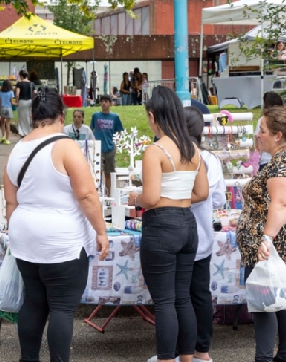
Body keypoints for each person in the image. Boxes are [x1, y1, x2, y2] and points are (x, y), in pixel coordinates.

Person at [3, 88, 109, 362]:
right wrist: (101, 230)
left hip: (25, 239)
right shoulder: (66, 146)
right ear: (61, 117)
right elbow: (86, 195)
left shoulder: (16, 149)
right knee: (61, 309)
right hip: (62, 242)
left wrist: (20, 231)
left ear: (33, 116)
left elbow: (10, 203)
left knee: (34, 303)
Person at [128, 86, 209, 362]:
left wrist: (133, 197)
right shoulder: (192, 148)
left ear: (152, 115)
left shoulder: (156, 150)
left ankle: (165, 359)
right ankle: (187, 358)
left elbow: (149, 198)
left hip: (162, 226)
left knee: (163, 302)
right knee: (182, 298)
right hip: (188, 224)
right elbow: (202, 193)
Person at [237, 106, 286, 362]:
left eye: (263, 131)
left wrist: (266, 238)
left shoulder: (283, 162)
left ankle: (265, 359)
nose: (259, 135)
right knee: (285, 301)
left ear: (278, 135)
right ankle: (283, 358)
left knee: (265, 305)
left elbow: (281, 203)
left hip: (276, 244)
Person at [182, 106, 226, 362]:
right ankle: (202, 350)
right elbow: (219, 199)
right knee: (200, 295)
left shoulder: (170, 154)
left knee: (179, 297)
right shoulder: (210, 159)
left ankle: (181, 349)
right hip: (201, 238)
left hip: (176, 237)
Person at [90, 94, 124, 192]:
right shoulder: (96, 116)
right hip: (98, 148)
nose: (103, 103)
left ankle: (109, 195)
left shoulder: (115, 117)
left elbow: (119, 131)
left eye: (106, 101)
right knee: (98, 172)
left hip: (110, 148)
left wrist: (115, 142)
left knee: (109, 173)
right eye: (102, 101)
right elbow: (91, 130)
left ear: (110, 103)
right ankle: (99, 194)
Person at [255, 91, 284, 172]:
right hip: (283, 160)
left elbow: (258, 146)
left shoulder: (262, 120)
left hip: (265, 162)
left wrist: (256, 162)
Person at [15, 70, 36, 137]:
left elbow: (17, 94)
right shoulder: (32, 84)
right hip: (29, 101)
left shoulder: (19, 84)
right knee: (28, 117)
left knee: (21, 117)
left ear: (21, 76)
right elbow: (35, 93)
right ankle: (29, 131)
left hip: (22, 102)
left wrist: (16, 101)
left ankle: (22, 132)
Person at [0, 79, 14, 144]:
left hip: (2, 108)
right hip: (8, 108)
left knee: (2, 123)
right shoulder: (11, 92)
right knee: (8, 123)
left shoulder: (0, 92)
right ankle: (7, 139)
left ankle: (3, 136)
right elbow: (11, 101)